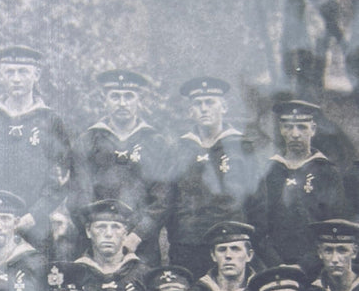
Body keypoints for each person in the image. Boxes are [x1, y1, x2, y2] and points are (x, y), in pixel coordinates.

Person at [0, 45, 74, 257]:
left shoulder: (50, 120)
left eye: (23, 72)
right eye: (10, 72)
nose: (16, 79)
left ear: (36, 75)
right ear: (0, 76)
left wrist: (35, 215)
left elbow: (61, 178)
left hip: (33, 224)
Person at [162, 77, 258, 277]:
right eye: (198, 104)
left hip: (229, 245)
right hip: (187, 245)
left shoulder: (242, 147)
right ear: (191, 112)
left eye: (210, 102)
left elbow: (256, 202)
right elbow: (168, 198)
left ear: (224, 107)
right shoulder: (179, 149)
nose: (204, 109)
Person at [73, 69, 169, 265]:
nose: (122, 103)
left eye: (129, 96)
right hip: (97, 242)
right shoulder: (88, 140)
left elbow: (163, 199)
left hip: (142, 243)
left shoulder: (155, 142)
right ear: (104, 100)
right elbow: (79, 192)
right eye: (115, 96)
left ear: (139, 100)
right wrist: (95, 232)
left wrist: (137, 234)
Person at [249, 99, 345, 270]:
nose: (295, 134)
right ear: (281, 130)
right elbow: (259, 225)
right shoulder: (268, 171)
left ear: (313, 129)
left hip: (316, 264)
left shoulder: (327, 172)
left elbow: (333, 224)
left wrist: (308, 264)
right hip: (274, 265)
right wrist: (276, 264)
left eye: (302, 127)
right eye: (289, 127)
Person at [73, 198, 151, 291]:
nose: (108, 234)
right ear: (88, 231)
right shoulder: (76, 273)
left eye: (115, 227)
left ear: (125, 233)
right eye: (101, 227)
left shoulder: (143, 274)